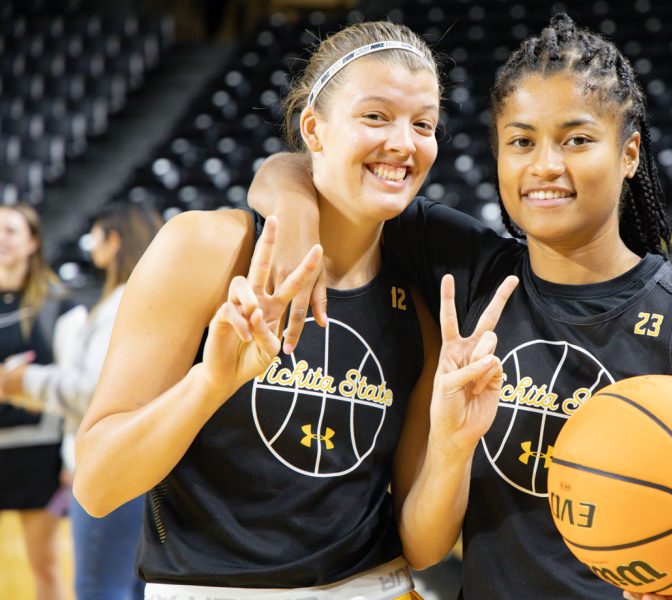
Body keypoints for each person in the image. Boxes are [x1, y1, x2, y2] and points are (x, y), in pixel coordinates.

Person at [250, 14, 672, 600]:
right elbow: (303, 167)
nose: (545, 165)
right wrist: (296, 214)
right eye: (521, 141)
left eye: (577, 139)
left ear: (630, 153)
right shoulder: (465, 267)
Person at [73, 21, 515, 599]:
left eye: (424, 124)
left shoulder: (426, 299)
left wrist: (454, 449)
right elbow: (98, 486)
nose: (404, 143)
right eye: (376, 116)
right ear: (314, 128)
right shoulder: (206, 249)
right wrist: (208, 385)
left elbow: (423, 547)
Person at [1, 203, 162, 599]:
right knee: (125, 585)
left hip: (101, 461)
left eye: (10, 230)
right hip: (120, 459)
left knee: (96, 587)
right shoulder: (129, 300)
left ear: (114, 240)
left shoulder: (106, 305)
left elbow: (95, 390)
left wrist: (24, 381)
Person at [0, 203, 72, 600]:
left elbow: (73, 385)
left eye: (11, 230)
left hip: (39, 454)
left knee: (44, 565)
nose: (1, 239)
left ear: (32, 242)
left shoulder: (57, 305)